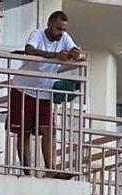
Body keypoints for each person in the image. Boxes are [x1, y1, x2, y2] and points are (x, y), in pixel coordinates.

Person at [9, 11, 85, 177]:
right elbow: (29, 50)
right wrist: (54, 56)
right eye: (58, 28)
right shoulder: (37, 34)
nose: (61, 33)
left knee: (48, 130)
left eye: (64, 29)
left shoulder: (65, 37)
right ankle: (27, 172)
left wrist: (78, 55)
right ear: (49, 24)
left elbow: (82, 55)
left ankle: (51, 170)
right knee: (24, 132)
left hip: (44, 92)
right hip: (22, 89)